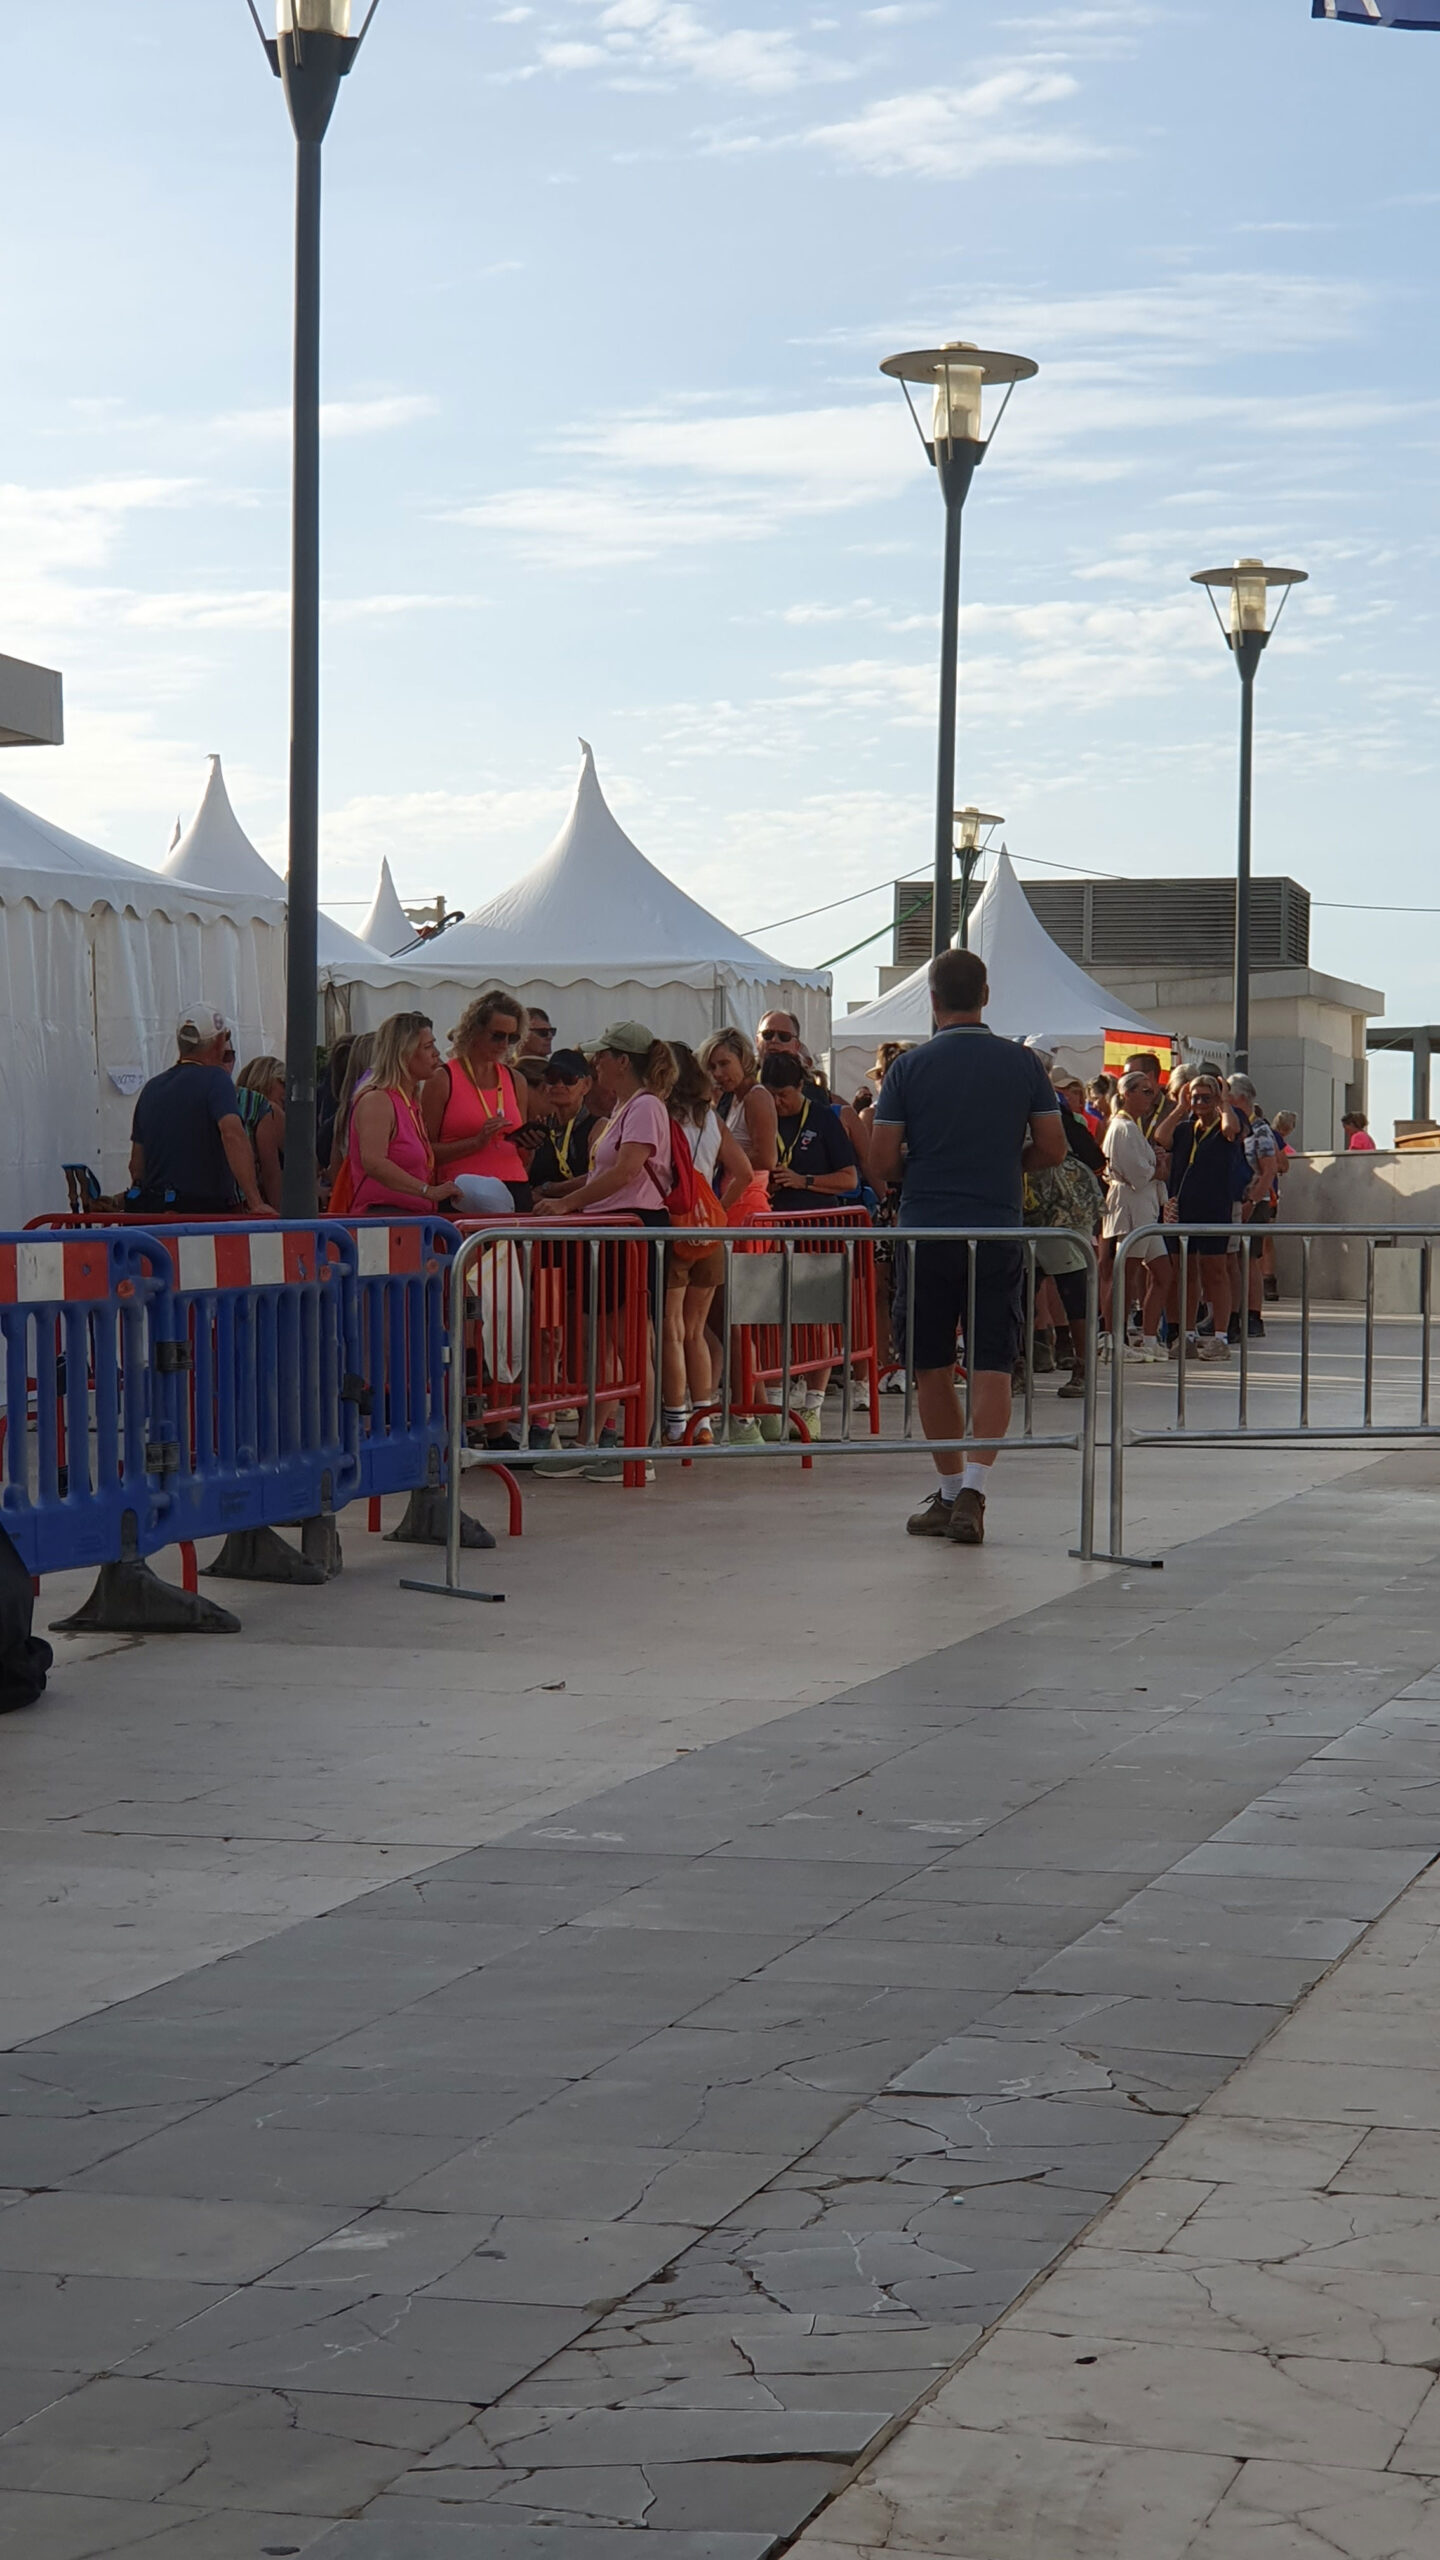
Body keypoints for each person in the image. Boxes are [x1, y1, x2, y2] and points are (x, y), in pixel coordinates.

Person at [869, 948, 1065, 1547]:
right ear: (986, 995)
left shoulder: (907, 1069)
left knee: (930, 1363)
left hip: (928, 1229)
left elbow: (881, 1160)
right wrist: (1007, 1163)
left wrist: (922, 1168)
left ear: (932, 999)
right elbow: (1054, 1147)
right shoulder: (1023, 1063)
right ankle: (975, 1488)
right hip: (997, 1228)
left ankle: (950, 1491)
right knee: (992, 1361)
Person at [533, 1023, 676, 1479]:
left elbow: (626, 1170)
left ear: (623, 1061)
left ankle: (637, 1450)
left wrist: (566, 1202)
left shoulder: (644, 1106)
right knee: (607, 1344)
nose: (595, 1064)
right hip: (614, 1229)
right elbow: (609, 1173)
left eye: (603, 1055)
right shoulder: (624, 1107)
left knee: (630, 1345)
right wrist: (565, 1196)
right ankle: (592, 1442)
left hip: (631, 1229)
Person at [661, 1042, 753, 1445]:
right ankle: (703, 1421)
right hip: (709, 1232)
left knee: (672, 1328)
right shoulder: (711, 1118)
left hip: (673, 1227)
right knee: (696, 1331)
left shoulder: (661, 1116)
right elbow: (744, 1172)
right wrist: (717, 1208)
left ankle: (676, 1421)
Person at [129, 1005, 273, 1219]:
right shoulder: (217, 1080)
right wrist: (255, 1202)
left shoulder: (151, 1088)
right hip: (203, 1215)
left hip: (155, 1215)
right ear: (219, 1042)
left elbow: (136, 1166)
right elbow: (233, 1135)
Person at [1155, 1071, 1244, 1361]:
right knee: (1185, 1272)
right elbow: (1161, 1137)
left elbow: (1231, 1129)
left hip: (1214, 1208)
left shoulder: (1224, 1125)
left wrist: (1224, 1102)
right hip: (1184, 1209)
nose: (1200, 1103)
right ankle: (1187, 1334)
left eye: (1207, 1097)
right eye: (1196, 1097)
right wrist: (1181, 1107)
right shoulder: (1185, 1129)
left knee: (1215, 1271)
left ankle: (1220, 1336)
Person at [422, 990, 532, 1214]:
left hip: (514, 1184)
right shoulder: (443, 1078)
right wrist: (476, 1142)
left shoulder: (516, 1080)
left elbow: (523, 1155)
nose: (505, 1044)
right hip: (463, 1191)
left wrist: (529, 1143)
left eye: (512, 1038)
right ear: (474, 1030)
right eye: (497, 1036)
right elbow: (425, 1151)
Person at [348, 1012, 459, 1213]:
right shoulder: (378, 1100)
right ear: (404, 1053)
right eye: (428, 1047)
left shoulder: (410, 1101)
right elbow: (374, 1162)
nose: (436, 1053)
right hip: (384, 1216)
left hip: (413, 1216)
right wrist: (427, 1190)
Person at [1100, 1068, 1169, 1360]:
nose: (1150, 1098)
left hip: (1144, 1208)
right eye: (1144, 1091)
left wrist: (1157, 1166)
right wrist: (1158, 1168)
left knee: (1163, 1272)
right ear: (1126, 1094)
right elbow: (1138, 1174)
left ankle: (1149, 1338)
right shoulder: (1123, 1128)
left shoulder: (1132, 1127)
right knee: (1125, 1276)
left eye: (1152, 1092)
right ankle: (1114, 1340)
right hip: (1131, 1206)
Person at [1227, 1074, 1280, 1341]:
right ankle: (1233, 1312)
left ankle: (1253, 1314)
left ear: (1240, 1098)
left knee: (1248, 1259)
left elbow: (1269, 1169)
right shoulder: (1234, 1127)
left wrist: (1253, 1201)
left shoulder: (1260, 1130)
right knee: (1234, 1259)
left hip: (1254, 1203)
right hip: (1236, 1200)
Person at [527, 1049, 599, 1194]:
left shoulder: (598, 1127)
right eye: (552, 1077)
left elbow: (600, 1176)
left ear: (586, 1084)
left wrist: (549, 1189)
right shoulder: (539, 1128)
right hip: (539, 1206)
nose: (559, 1084)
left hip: (583, 1207)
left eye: (568, 1078)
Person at [235, 1056, 287, 1213]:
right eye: (283, 1083)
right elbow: (272, 1171)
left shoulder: (235, 1105)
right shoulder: (270, 1110)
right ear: (265, 1080)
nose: (287, 1091)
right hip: (260, 1207)